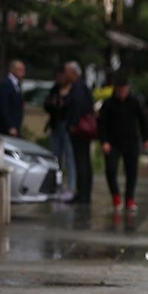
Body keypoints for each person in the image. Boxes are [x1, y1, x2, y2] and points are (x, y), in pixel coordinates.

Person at [97, 75, 148, 211]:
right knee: (111, 169)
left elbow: (143, 121)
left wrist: (146, 139)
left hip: (131, 142)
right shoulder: (108, 104)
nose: (122, 92)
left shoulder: (134, 102)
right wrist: (104, 141)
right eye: (120, 89)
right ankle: (115, 196)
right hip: (113, 143)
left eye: (125, 89)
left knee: (131, 172)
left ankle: (129, 199)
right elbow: (101, 123)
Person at [64, 61, 96, 205]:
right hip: (82, 129)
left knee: (82, 161)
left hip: (80, 130)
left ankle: (83, 194)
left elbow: (77, 106)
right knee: (83, 161)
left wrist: (73, 124)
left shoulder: (78, 87)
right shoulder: (81, 86)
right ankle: (83, 192)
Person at [43, 66, 76, 197]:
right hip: (56, 125)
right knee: (56, 157)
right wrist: (52, 104)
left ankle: (71, 186)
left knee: (69, 157)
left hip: (67, 126)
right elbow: (47, 105)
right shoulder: (54, 90)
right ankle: (57, 185)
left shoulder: (73, 90)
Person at [0, 60, 26, 136]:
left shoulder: (17, 85)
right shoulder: (6, 84)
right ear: (12, 70)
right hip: (5, 128)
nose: (23, 73)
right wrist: (10, 126)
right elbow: (3, 106)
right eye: (20, 70)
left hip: (15, 125)